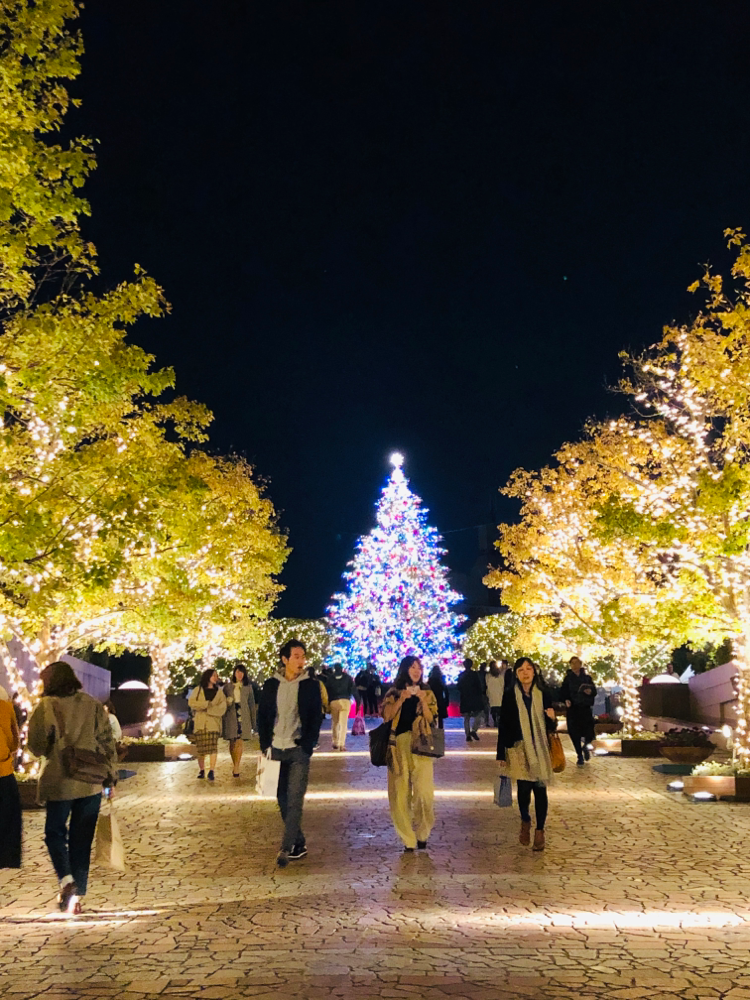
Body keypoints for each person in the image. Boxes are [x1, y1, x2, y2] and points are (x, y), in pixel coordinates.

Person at [27, 662, 117, 913]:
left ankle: (66, 880)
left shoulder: (46, 706)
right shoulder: (92, 704)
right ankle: (77, 898)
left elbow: (36, 746)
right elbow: (107, 742)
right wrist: (110, 777)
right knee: (82, 840)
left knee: (55, 833)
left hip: (60, 782)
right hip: (90, 782)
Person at [258, 638, 323, 868]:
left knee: (295, 799)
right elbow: (263, 715)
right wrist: (265, 744)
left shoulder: (310, 685)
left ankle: (286, 848)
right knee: (282, 799)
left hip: (298, 750)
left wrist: (308, 744)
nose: (301, 660)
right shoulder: (271, 685)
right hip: (276, 748)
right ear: (285, 659)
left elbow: (316, 716)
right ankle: (299, 841)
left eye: (303, 656)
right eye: (296, 656)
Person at [496, 657, 557, 851]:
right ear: (516, 674)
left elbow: (551, 726)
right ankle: (525, 819)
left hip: (540, 747)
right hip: (519, 747)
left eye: (529, 669)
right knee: (523, 790)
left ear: (534, 671)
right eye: (521, 670)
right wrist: (501, 754)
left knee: (540, 789)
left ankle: (540, 831)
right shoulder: (510, 695)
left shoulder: (543, 693)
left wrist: (552, 719)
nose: (525, 673)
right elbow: (504, 725)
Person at [381, 656, 438, 852]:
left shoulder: (427, 692)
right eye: (412, 667)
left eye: (419, 667)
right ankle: (408, 839)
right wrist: (401, 699)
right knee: (399, 794)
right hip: (398, 745)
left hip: (421, 744)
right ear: (405, 669)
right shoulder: (393, 692)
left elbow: (432, 719)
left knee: (424, 793)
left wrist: (422, 700)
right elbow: (386, 716)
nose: (416, 671)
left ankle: (423, 832)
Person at [188, 667, 227, 781]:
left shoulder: (219, 692)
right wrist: (205, 704)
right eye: (213, 675)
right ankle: (202, 769)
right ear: (208, 676)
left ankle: (211, 770)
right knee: (201, 749)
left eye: (216, 676)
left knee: (213, 748)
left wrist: (210, 710)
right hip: (200, 723)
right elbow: (192, 702)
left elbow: (222, 707)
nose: (216, 678)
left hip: (213, 724)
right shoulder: (198, 690)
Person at [560, 656, 596, 767]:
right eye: (572, 663)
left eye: (577, 663)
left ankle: (586, 746)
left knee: (589, 733)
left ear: (580, 664)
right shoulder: (568, 679)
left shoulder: (587, 678)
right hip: (573, 710)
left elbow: (594, 690)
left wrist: (590, 691)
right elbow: (563, 692)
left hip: (585, 709)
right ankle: (579, 755)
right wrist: (566, 700)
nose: (575, 665)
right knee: (574, 734)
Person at [0, 686, 21, 869]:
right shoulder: (5, 706)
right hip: (2, 771)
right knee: (8, 816)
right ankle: (6, 857)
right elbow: (14, 739)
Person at [222, 663, 256, 777]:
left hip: (243, 715)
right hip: (231, 715)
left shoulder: (248, 687)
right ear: (234, 673)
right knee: (232, 741)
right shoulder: (227, 687)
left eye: (241, 672)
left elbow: (251, 704)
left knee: (239, 741)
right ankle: (234, 763)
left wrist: (253, 722)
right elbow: (221, 701)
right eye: (237, 672)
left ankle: (237, 766)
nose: (239, 674)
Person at [324, 663, 355, 750]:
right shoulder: (348, 678)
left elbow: (327, 690)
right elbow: (353, 689)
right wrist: (358, 701)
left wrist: (327, 702)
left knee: (335, 722)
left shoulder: (330, 678)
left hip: (334, 701)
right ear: (341, 669)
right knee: (343, 723)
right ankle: (342, 744)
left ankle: (335, 742)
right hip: (345, 701)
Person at [456, 657, 484, 742]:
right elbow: (479, 686)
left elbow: (458, 687)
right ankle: (474, 730)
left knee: (466, 718)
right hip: (474, 698)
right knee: (479, 715)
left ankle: (467, 734)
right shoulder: (475, 675)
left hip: (465, 698)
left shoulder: (461, 675)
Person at [427, 665, 450, 729]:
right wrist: (446, 700)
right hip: (440, 700)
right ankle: (440, 730)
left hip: (432, 699)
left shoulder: (430, 680)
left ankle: (432, 729)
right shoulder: (441, 679)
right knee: (440, 718)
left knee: (432, 716)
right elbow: (446, 690)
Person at [486, 661, 505, 728]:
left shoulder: (488, 676)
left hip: (492, 693)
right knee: (499, 708)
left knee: (493, 708)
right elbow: (502, 684)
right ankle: (498, 720)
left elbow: (487, 684)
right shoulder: (500, 676)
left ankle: (495, 720)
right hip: (499, 693)